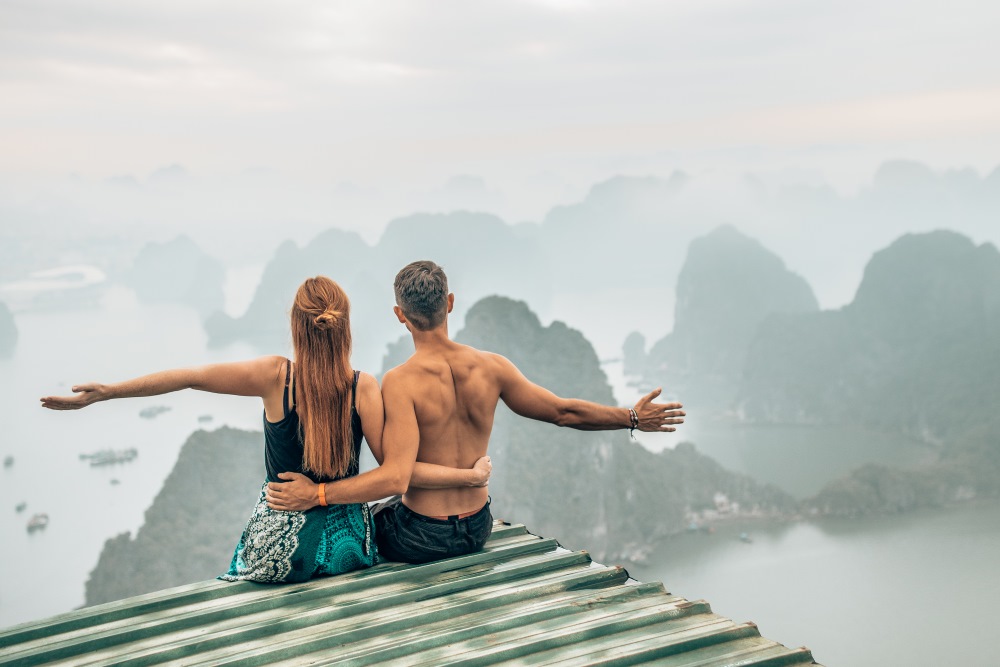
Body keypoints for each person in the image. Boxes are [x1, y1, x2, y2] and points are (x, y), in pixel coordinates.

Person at [40, 275, 489, 582]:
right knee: (393, 507)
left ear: (297, 325)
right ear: (344, 328)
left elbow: (190, 376)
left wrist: (107, 392)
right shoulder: (364, 388)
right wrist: (468, 477)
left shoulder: (276, 377)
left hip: (280, 554)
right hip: (349, 551)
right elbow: (395, 476)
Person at [265, 261, 685, 564]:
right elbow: (563, 411)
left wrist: (315, 495)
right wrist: (632, 416)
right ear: (449, 302)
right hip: (477, 527)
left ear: (400, 316)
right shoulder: (493, 367)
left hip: (420, 535)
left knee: (349, 527)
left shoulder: (399, 382)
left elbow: (398, 473)